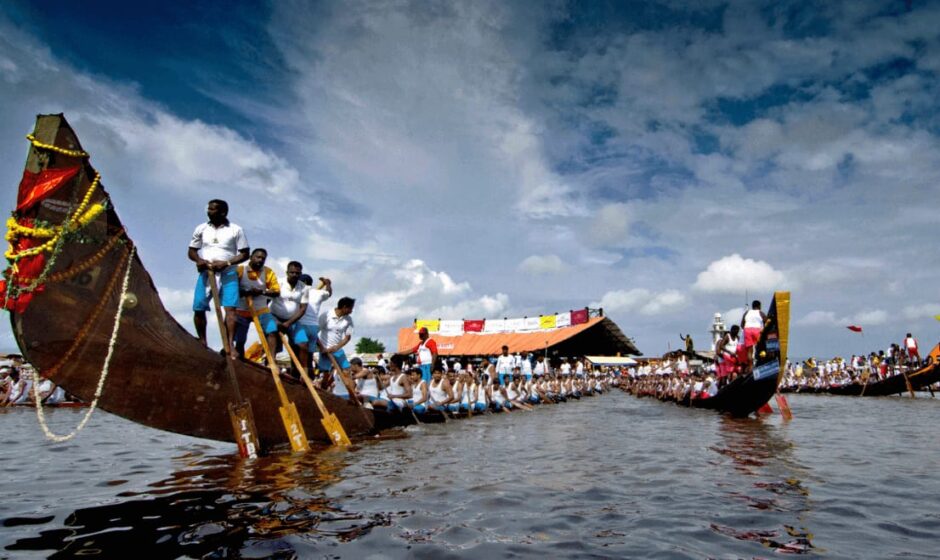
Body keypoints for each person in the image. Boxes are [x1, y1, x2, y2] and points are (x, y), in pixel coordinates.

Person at [188, 199, 250, 350]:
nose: (209, 212)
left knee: (230, 310)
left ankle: (229, 345)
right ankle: (203, 340)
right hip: (206, 272)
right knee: (198, 307)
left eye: (213, 209)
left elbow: (245, 254)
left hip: (228, 273)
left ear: (223, 212)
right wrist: (199, 260)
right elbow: (191, 251)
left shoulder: (236, 230)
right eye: (208, 209)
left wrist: (227, 263)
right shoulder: (201, 228)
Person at [232, 249, 281, 359]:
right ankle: (239, 359)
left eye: (263, 258)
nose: (260, 260)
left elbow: (276, 291)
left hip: (261, 309)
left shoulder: (268, 272)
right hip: (242, 309)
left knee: (272, 330)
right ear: (251, 257)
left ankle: (271, 360)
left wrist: (262, 292)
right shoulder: (240, 269)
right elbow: (232, 289)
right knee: (240, 340)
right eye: (258, 257)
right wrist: (247, 292)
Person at [270, 261, 309, 377]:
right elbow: (267, 299)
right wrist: (274, 320)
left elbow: (303, 309)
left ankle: (304, 372)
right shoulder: (278, 282)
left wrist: (288, 323)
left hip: (293, 320)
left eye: (297, 273)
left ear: (300, 273)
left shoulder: (304, 288)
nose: (294, 275)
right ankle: (272, 362)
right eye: (292, 272)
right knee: (272, 333)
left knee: (303, 344)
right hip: (275, 316)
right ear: (287, 272)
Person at [297, 274, 332, 372]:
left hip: (300, 325)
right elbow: (329, 292)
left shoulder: (298, 292)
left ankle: (298, 377)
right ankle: (309, 377)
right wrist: (328, 284)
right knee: (309, 356)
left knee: (297, 354)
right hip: (313, 328)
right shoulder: (318, 293)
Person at [318, 297, 356, 376]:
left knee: (347, 370)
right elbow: (315, 332)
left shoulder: (348, 320)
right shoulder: (326, 315)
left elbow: (347, 338)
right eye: (350, 308)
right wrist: (322, 348)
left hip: (338, 350)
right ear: (344, 307)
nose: (351, 311)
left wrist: (336, 347)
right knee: (325, 373)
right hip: (325, 349)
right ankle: (323, 387)